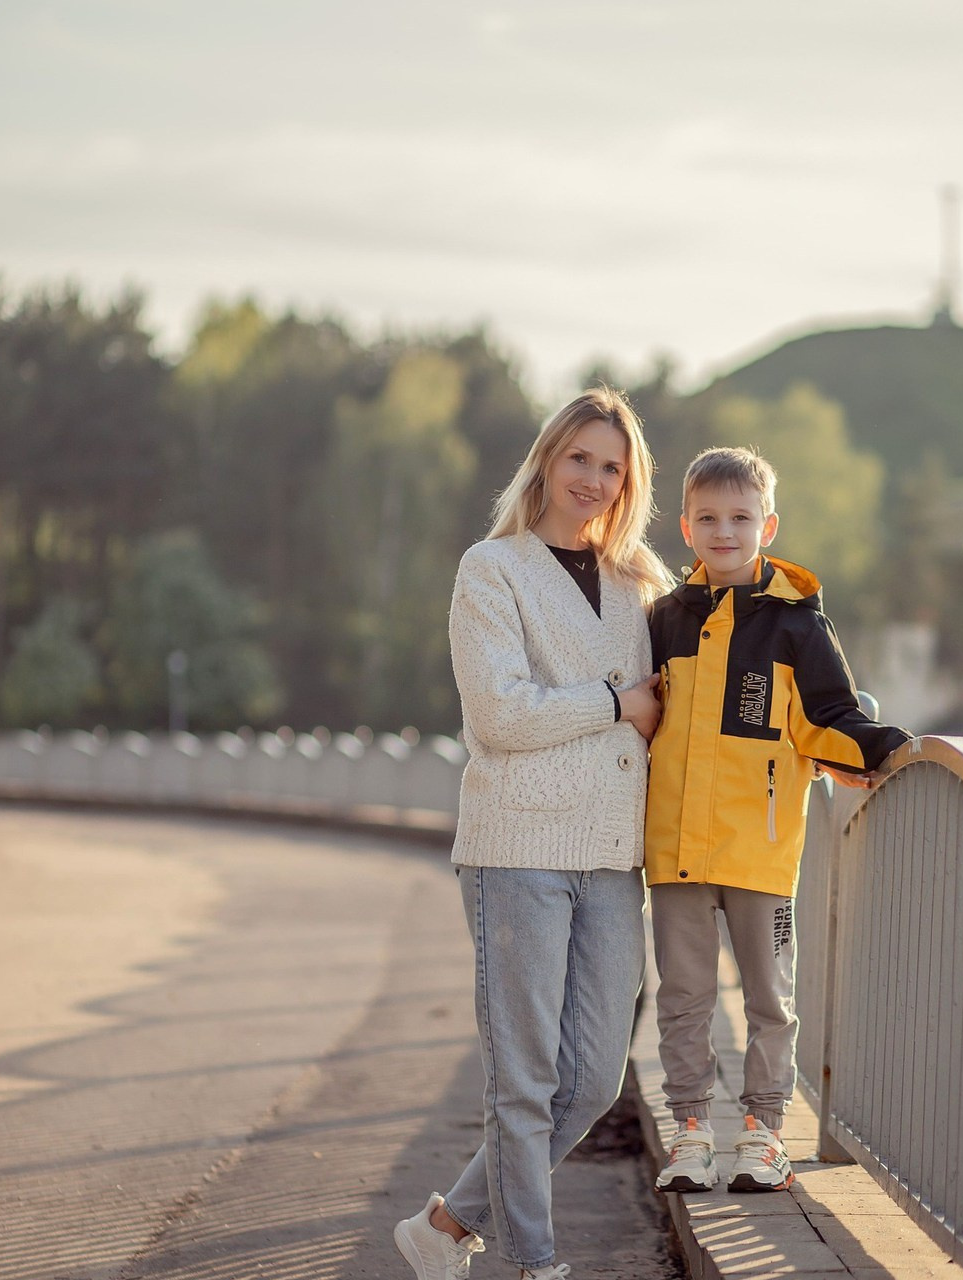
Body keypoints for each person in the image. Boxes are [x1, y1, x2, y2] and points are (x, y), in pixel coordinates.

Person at [393, 387, 673, 1280]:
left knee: (591, 1078)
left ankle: (444, 1227)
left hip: (611, 856)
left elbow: (677, 708)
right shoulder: (493, 569)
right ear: (548, 460)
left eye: (612, 468)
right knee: (521, 1082)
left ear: (629, 485)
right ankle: (534, 1264)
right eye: (580, 458)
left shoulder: (641, 584)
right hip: (516, 849)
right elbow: (501, 715)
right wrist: (612, 704)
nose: (593, 480)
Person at [644, 446, 911, 1195]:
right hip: (676, 854)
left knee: (770, 1000)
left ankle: (764, 1134)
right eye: (707, 518)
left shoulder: (797, 627)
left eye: (739, 517)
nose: (723, 531)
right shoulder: (664, 619)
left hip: (759, 852)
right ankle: (690, 1131)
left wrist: (883, 747)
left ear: (767, 525)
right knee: (683, 997)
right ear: (687, 528)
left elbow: (825, 720)